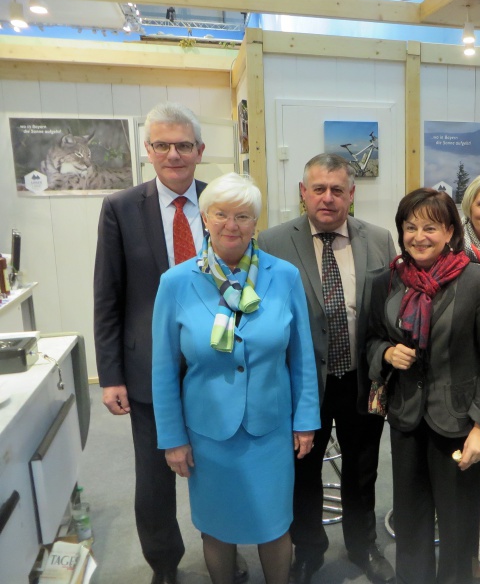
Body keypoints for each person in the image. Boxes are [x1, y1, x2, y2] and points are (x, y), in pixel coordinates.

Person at [94, 102, 252, 584]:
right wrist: (111, 374)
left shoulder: (221, 204)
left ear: (200, 150)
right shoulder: (121, 208)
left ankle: (226, 550)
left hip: (213, 365)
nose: (174, 154)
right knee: (155, 478)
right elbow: (108, 294)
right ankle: (164, 564)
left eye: (184, 145)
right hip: (148, 370)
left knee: (221, 468)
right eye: (162, 145)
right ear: (148, 151)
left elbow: (245, 278)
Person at [152, 173, 320, 584]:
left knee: (274, 524)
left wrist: (306, 421)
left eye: (243, 216)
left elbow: (301, 357)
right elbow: (162, 369)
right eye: (221, 214)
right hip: (209, 433)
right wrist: (173, 439)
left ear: (255, 223)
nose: (232, 225)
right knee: (218, 527)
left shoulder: (284, 276)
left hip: (270, 427)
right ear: (205, 219)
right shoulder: (175, 283)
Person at [258, 154, 396, 584]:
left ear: (351, 195)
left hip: (360, 377)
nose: (328, 198)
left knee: (362, 468)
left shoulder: (378, 239)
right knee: (303, 470)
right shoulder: (272, 242)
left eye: (338, 189)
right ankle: (309, 549)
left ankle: (362, 545)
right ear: (303, 192)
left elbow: (387, 309)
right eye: (318, 188)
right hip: (301, 382)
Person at [366, 188, 480, 584]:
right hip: (406, 419)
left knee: (457, 525)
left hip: (460, 422)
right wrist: (385, 353)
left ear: (449, 231)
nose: (419, 236)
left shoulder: (474, 281)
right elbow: (371, 339)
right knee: (410, 521)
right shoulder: (386, 280)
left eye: (430, 227)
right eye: (410, 227)